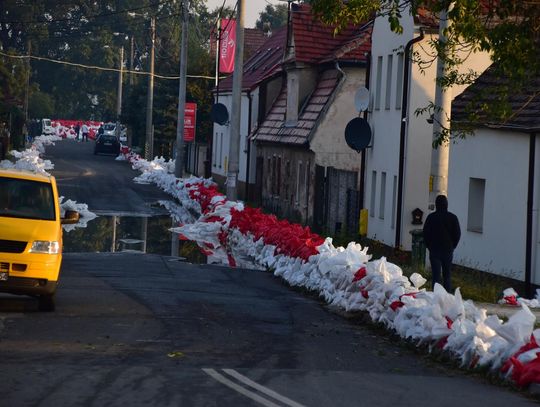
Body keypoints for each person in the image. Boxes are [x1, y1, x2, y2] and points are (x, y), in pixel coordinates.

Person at [422, 194, 461, 292]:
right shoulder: (453, 218)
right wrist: (452, 246)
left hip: (434, 250)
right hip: (447, 250)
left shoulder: (431, 217)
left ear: (436, 205)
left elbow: (425, 233)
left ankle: (436, 297)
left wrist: (429, 246)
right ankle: (447, 297)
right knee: (447, 275)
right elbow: (457, 234)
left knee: (436, 276)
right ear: (446, 205)